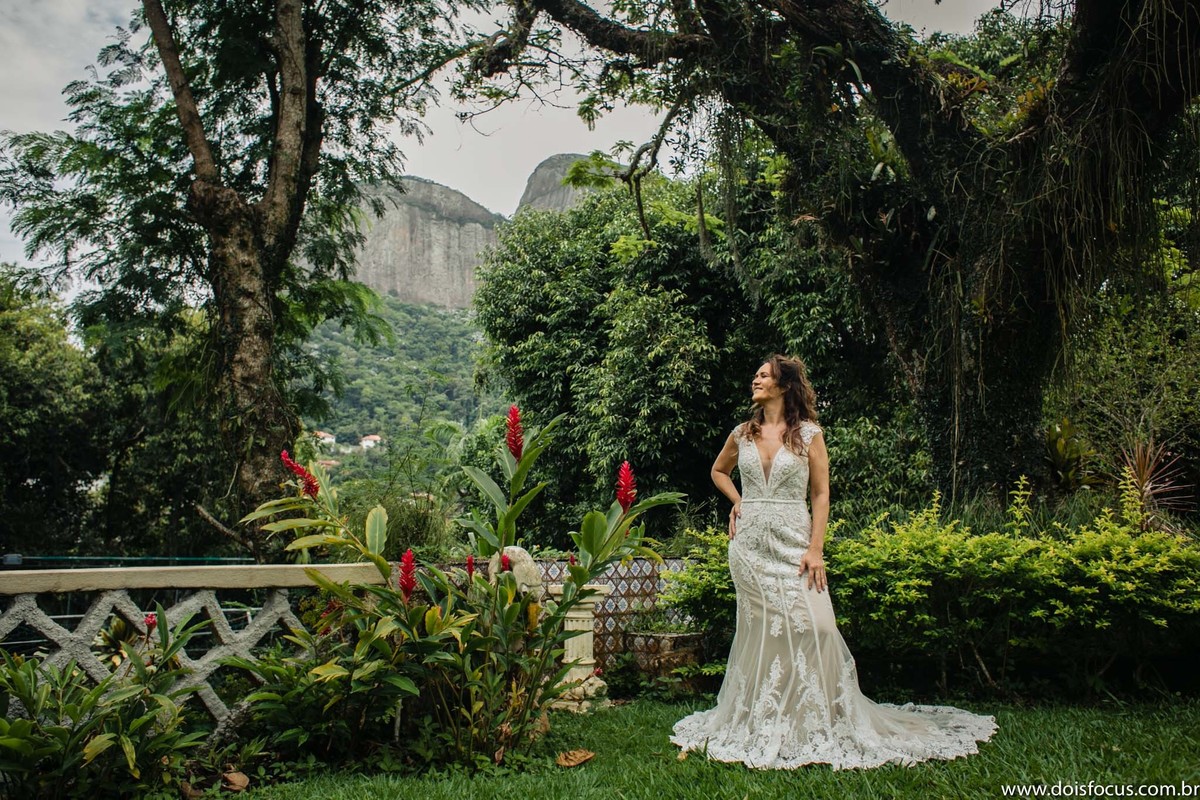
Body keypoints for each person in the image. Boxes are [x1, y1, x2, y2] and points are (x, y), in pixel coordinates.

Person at [671, 355, 996, 769]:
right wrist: (738, 502)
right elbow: (718, 471)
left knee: (819, 628)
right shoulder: (742, 433)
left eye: (764, 375)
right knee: (763, 635)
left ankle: (818, 718)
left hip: (795, 542)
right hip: (749, 547)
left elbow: (821, 494)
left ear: (785, 385)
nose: (755, 379)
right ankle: (767, 719)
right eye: (755, 374)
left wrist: (816, 549)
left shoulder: (808, 435)